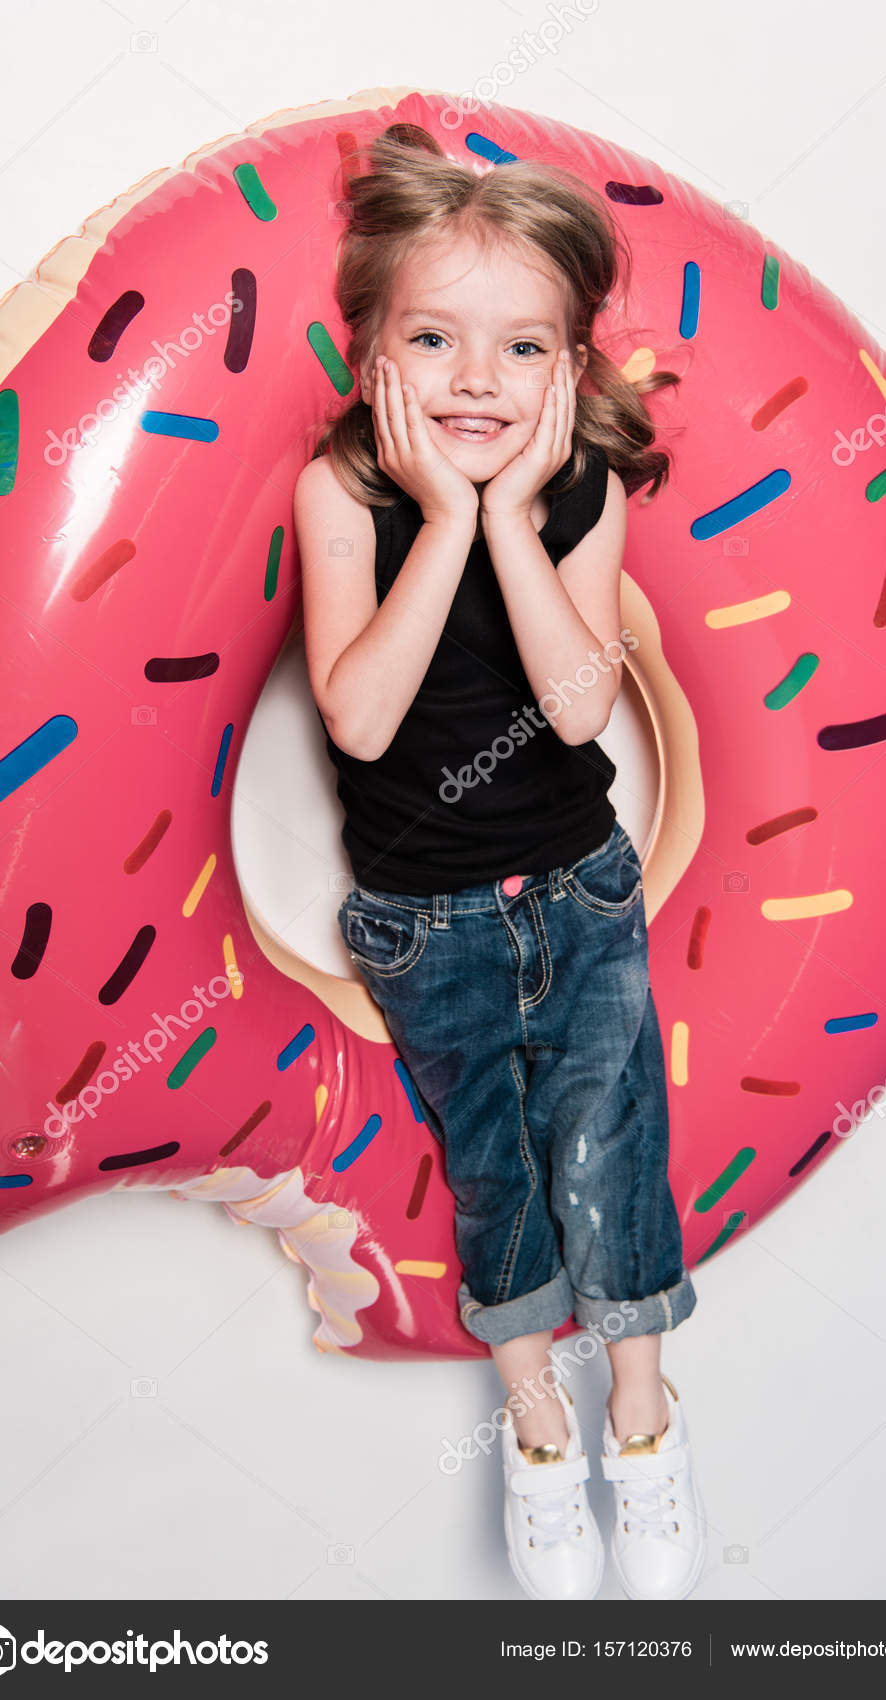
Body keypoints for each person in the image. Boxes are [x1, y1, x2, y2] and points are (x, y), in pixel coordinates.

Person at [293, 124, 706, 1602]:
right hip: (424, 920)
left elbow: (584, 704)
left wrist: (513, 519)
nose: (477, 379)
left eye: (522, 348)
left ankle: (643, 1415)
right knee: (495, 1173)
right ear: (371, 357)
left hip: (581, 889)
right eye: (434, 339)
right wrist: (446, 521)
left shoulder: (583, 489)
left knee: (613, 1140)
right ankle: (537, 1424)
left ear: (571, 369)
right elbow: (359, 714)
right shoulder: (341, 494)